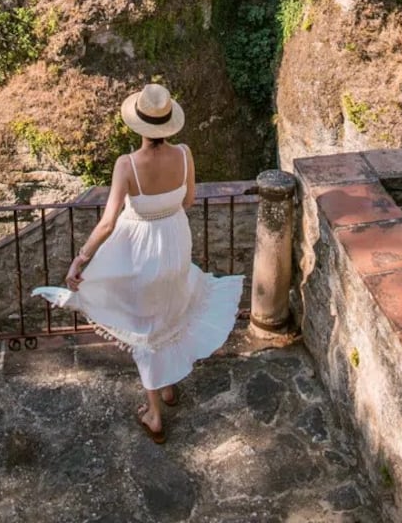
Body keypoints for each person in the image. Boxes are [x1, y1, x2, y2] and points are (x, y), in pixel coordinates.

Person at [31, 83, 243, 443]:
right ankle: (169, 387)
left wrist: (81, 260)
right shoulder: (186, 155)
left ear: (138, 125)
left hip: (142, 252)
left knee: (146, 328)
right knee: (172, 313)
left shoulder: (127, 165)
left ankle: (155, 414)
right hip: (176, 243)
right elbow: (189, 200)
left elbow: (108, 222)